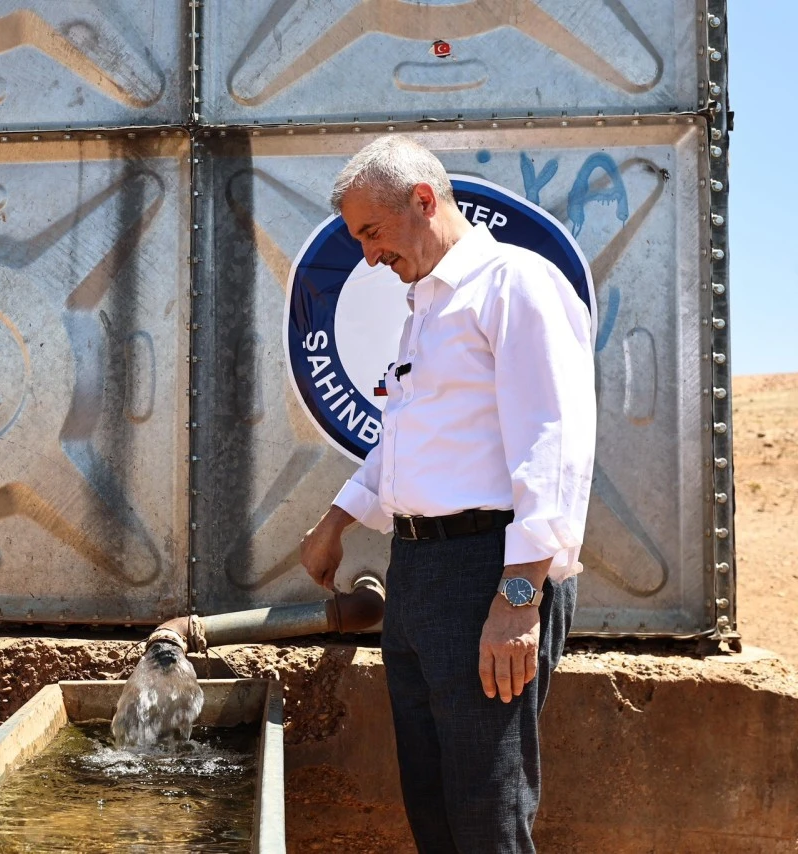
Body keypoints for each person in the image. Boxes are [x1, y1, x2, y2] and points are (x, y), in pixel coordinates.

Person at [299, 137, 596, 853]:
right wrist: (337, 521)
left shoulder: (513, 283)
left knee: (486, 809)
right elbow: (408, 445)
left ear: (424, 201)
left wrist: (518, 600)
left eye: (372, 232)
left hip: (488, 572)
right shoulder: (425, 307)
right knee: (431, 805)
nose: (368, 255)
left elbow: (553, 445)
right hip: (419, 575)